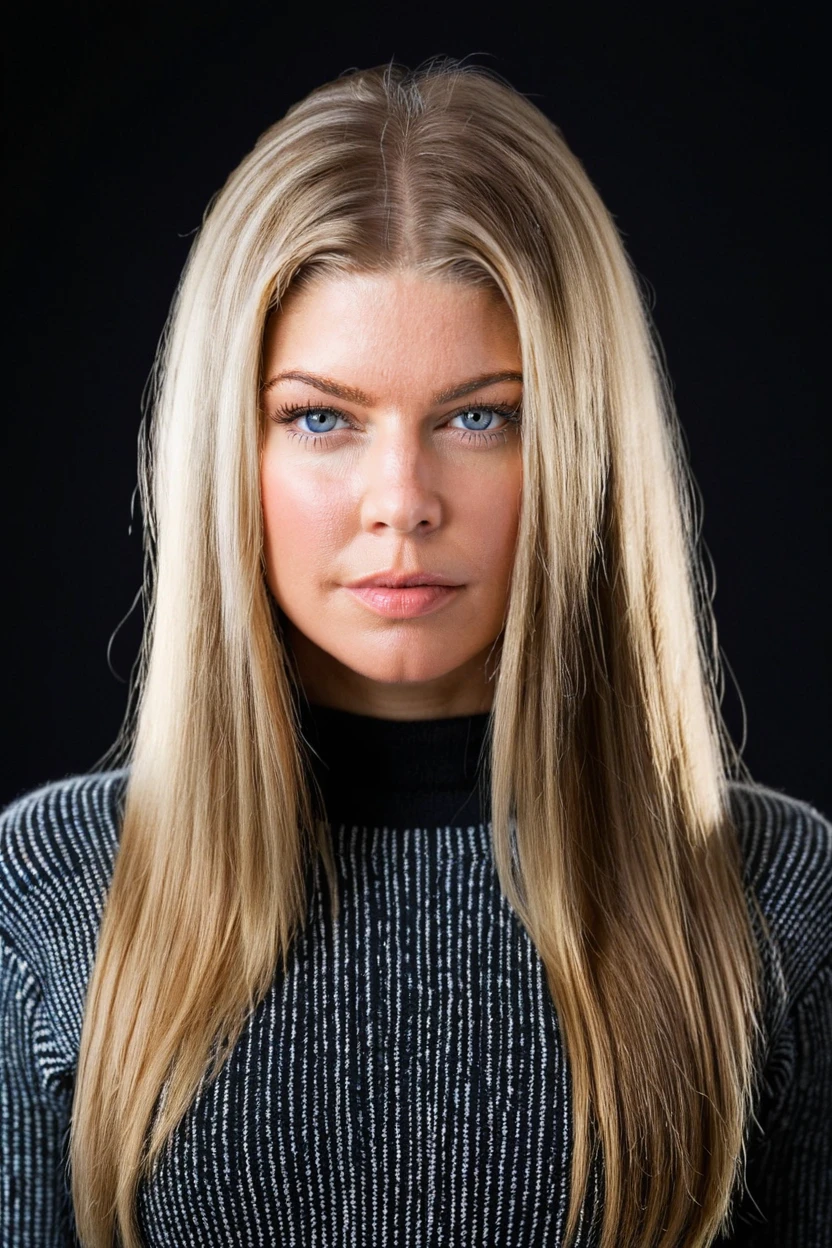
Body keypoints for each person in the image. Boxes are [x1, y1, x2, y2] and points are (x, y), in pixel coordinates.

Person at [1, 59, 829, 1248]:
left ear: (585, 449)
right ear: (229, 448)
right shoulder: (48, 900)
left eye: (479, 416)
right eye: (322, 418)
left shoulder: (774, 904)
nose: (402, 501)